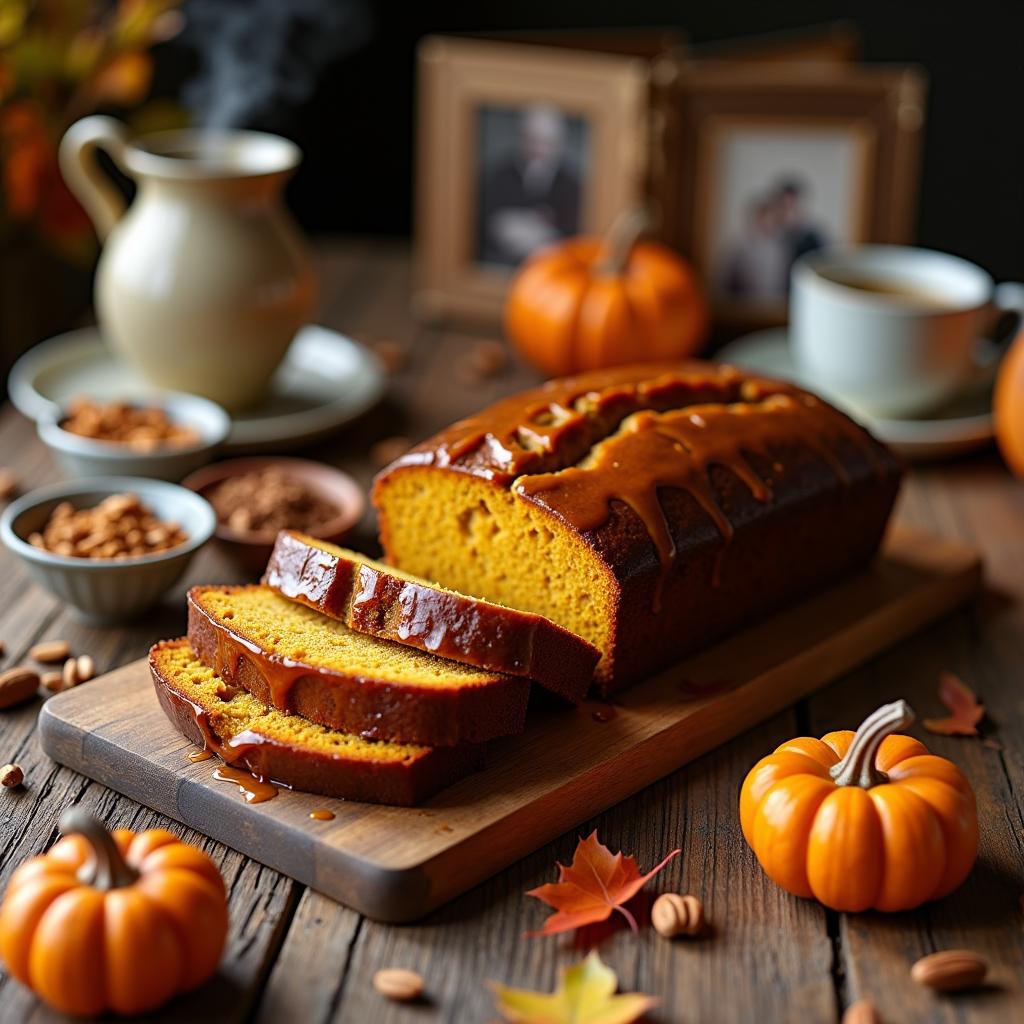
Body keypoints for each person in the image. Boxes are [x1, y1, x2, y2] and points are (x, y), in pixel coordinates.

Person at [477, 105, 582, 267]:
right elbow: (486, 225)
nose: (539, 150)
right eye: (534, 140)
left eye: (547, 143)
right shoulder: (500, 174)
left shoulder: (571, 184)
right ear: (522, 138)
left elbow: (573, 239)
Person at [720, 196, 787, 302]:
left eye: (772, 219)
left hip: (772, 308)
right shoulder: (739, 248)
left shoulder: (779, 250)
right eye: (764, 218)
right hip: (743, 307)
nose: (768, 223)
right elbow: (724, 283)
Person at [776, 179, 827, 283]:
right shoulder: (771, 238)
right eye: (785, 207)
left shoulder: (813, 239)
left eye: (793, 206)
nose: (789, 213)